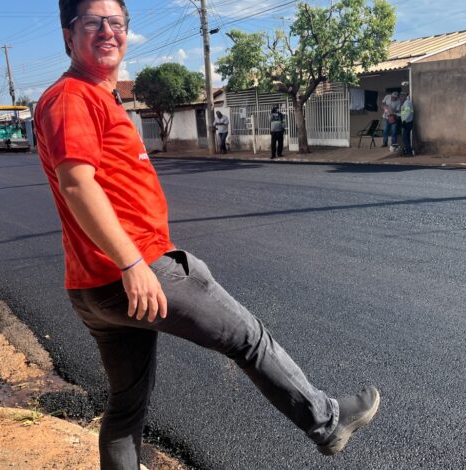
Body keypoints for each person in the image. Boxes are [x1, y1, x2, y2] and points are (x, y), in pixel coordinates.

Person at [35, 1, 380, 469]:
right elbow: (77, 184)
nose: (108, 31)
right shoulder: (73, 97)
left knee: (127, 405)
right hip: (136, 269)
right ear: (68, 35)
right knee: (248, 338)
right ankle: (327, 421)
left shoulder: (98, 96)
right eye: (93, 22)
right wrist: (132, 264)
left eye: (116, 22)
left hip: (93, 286)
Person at [399, 92, 414, 156]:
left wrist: (404, 121)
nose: (400, 98)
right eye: (400, 97)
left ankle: (409, 153)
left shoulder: (407, 103)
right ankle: (408, 151)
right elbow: (403, 114)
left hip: (407, 123)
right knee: (407, 138)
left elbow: (408, 113)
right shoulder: (405, 103)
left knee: (405, 138)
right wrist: (396, 114)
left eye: (402, 96)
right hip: (407, 122)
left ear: (404, 97)